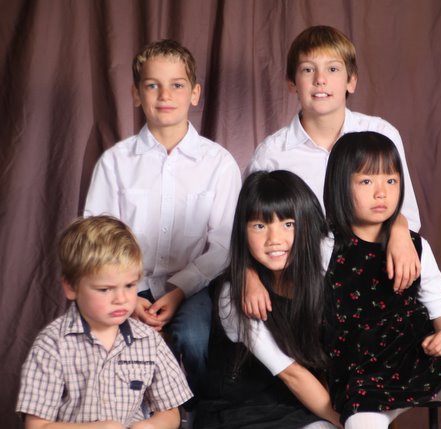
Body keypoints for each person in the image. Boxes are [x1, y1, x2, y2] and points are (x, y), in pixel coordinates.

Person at [84, 39, 241, 399]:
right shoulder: (115, 162)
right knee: (104, 341)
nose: (165, 95)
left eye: (177, 85)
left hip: (195, 286)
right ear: (136, 94)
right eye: (153, 85)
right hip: (127, 284)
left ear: (195, 94)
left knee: (195, 338)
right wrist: (127, 295)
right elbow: (97, 239)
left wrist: (180, 289)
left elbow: (224, 243)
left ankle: (201, 411)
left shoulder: (218, 163)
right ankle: (133, 412)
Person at [244, 26, 420, 320]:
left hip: (371, 278)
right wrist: (248, 278)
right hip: (301, 287)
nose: (320, 79)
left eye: (333, 69)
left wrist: (400, 231)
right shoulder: (271, 154)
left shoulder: (381, 134)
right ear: (292, 83)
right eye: (308, 70)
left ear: (352, 81)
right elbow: (247, 227)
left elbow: (406, 212)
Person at [322, 131, 441, 428]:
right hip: (360, 369)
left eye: (391, 181)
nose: (381, 193)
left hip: (416, 351)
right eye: (366, 181)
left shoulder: (415, 245)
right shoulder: (325, 246)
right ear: (340, 185)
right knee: (362, 423)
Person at [194, 171, 341, 429]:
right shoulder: (235, 295)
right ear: (243, 231)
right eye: (260, 226)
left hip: (302, 406)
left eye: (288, 224)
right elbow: (291, 374)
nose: (274, 240)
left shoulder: (323, 274)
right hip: (244, 412)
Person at [16, 215, 193, 429]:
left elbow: (170, 412)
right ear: (71, 287)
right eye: (105, 289)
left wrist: (150, 426)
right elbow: (36, 425)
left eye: (129, 286)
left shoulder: (149, 341)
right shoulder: (52, 344)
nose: (121, 298)